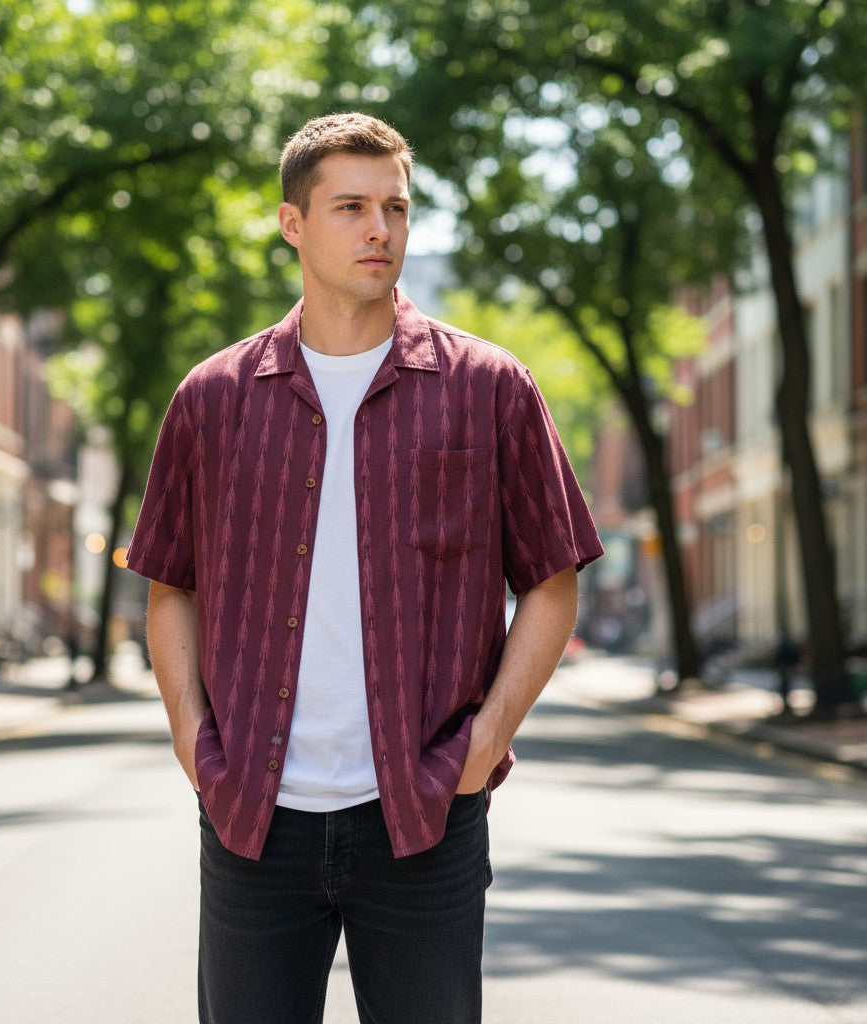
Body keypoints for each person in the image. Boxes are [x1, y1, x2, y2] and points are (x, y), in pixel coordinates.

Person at [128, 112, 604, 1024]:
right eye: (350, 206)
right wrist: (195, 739)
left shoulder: (488, 387)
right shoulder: (214, 399)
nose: (379, 228)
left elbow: (552, 577)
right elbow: (170, 585)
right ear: (292, 224)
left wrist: (485, 741)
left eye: (395, 206)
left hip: (425, 811)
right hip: (251, 819)